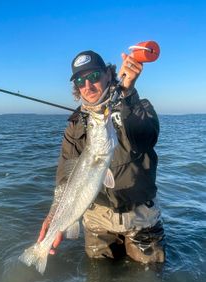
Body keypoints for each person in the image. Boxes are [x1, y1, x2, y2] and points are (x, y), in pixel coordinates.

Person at [38, 49, 165, 263]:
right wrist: (55, 216)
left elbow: (147, 137)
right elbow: (64, 178)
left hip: (141, 218)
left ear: (108, 73)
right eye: (80, 81)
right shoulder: (75, 123)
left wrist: (127, 94)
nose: (87, 86)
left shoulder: (137, 105)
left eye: (93, 77)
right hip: (97, 219)